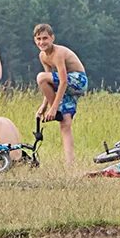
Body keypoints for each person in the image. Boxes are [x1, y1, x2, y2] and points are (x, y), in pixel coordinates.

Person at [33, 23, 88, 165]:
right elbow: (50, 83)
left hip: (78, 80)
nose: (42, 42)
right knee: (65, 122)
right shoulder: (42, 56)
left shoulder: (58, 53)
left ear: (52, 38)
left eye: (45, 38)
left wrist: (53, 107)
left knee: (40, 77)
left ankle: (56, 110)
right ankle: (70, 163)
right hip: (66, 85)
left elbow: (62, 82)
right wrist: (43, 106)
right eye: (38, 39)